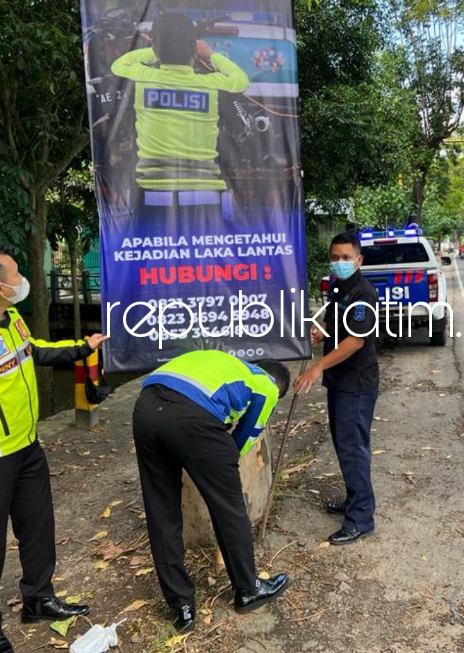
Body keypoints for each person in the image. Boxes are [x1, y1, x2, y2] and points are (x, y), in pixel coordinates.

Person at [0, 245, 109, 653]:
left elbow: (35, 351)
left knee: (38, 528)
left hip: (27, 447)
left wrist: (82, 346)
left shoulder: (10, 318)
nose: (21, 280)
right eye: (15, 275)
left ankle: (38, 599)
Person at [131, 350, 292, 632]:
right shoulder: (266, 384)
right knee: (228, 507)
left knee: (161, 510)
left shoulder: (225, 365)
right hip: (189, 416)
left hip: (145, 409)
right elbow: (243, 438)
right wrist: (220, 463)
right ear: (278, 385)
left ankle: (181, 606)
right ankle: (248, 589)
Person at [293, 232, 380, 545]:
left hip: (356, 385)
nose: (339, 262)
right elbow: (335, 323)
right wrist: (322, 332)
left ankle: (360, 518)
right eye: (335, 257)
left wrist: (317, 368)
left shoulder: (363, 294)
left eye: (346, 257)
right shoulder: (338, 288)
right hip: (340, 382)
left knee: (353, 448)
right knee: (344, 444)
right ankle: (353, 500)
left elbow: (356, 341)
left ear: (359, 260)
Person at [111, 12, 250, 207]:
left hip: (152, 196)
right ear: (194, 50)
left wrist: (155, 50)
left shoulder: (144, 77)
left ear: (156, 49)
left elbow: (118, 65)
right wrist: (211, 54)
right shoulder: (211, 84)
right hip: (205, 199)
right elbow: (241, 80)